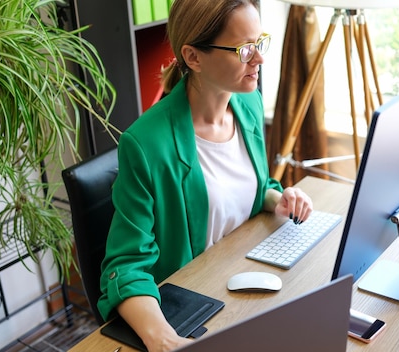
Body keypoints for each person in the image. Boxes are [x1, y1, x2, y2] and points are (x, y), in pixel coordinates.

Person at [98, 0, 313, 351]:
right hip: (194, 306)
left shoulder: (248, 103)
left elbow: (253, 187)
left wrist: (278, 198)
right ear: (194, 57)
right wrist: (163, 339)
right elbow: (126, 265)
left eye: (260, 44)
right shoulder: (145, 144)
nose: (259, 59)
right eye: (245, 49)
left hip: (243, 279)